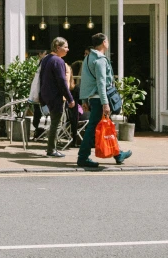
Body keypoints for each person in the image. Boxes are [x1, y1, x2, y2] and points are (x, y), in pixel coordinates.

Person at [77, 33, 132, 169]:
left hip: (93, 98)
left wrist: (84, 98)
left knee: (106, 127)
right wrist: (105, 103)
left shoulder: (88, 57)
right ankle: (82, 157)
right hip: (99, 99)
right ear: (103, 43)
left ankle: (118, 154)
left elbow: (85, 80)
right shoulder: (100, 59)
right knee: (92, 129)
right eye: (107, 40)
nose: (108, 43)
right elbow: (101, 83)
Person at [39, 38, 75, 158]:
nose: (68, 50)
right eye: (65, 47)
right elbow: (62, 82)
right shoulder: (58, 61)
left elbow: (41, 78)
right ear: (57, 47)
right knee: (56, 123)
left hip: (46, 95)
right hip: (55, 96)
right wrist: (70, 98)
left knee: (54, 122)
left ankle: (51, 148)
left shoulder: (46, 59)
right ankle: (51, 149)